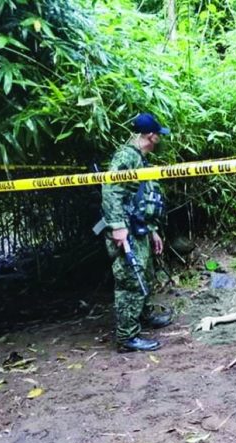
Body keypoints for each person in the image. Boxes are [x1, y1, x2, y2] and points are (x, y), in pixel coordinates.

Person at [101, 113, 173, 352]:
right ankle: (126, 338)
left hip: (139, 227)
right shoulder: (126, 157)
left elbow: (140, 198)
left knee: (144, 274)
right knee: (130, 280)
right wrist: (117, 227)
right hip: (125, 229)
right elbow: (111, 190)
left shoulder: (139, 158)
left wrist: (152, 231)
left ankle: (143, 316)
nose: (160, 141)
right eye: (158, 136)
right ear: (151, 136)